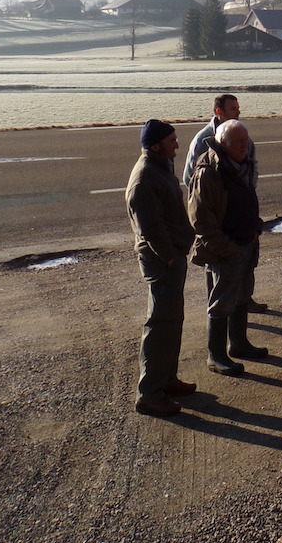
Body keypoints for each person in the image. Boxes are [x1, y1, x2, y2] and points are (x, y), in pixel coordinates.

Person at [125, 119, 195, 417]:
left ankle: (167, 379)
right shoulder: (144, 179)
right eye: (171, 141)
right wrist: (169, 257)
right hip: (161, 261)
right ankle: (149, 394)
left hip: (172, 256)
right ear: (155, 146)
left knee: (172, 320)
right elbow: (150, 229)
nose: (177, 145)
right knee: (160, 324)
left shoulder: (161, 165)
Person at [188, 119, 269, 376]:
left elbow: (247, 199)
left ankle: (239, 344)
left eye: (246, 140)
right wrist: (226, 248)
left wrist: (255, 228)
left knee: (242, 296)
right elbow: (200, 220)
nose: (245, 146)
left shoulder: (241, 163)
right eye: (239, 142)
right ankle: (216, 355)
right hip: (226, 249)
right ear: (223, 142)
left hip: (245, 244)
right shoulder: (208, 172)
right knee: (221, 303)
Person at [183, 94, 268, 313]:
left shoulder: (243, 136)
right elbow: (190, 177)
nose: (238, 112)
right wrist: (213, 196)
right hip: (219, 216)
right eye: (233, 109)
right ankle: (217, 306)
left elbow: (252, 166)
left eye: (238, 108)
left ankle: (244, 300)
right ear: (219, 112)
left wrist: (247, 190)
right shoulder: (203, 139)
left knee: (244, 263)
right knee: (217, 265)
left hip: (241, 215)